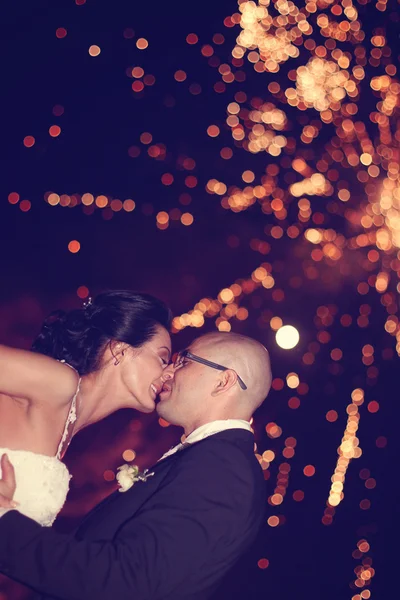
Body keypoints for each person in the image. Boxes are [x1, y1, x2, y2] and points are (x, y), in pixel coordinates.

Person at [0, 331, 271, 600]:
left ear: (223, 381)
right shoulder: (215, 459)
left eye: (184, 360)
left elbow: (128, 581)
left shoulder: (223, 467)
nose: (169, 372)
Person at [0, 290, 172, 526]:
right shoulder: (61, 382)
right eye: (163, 359)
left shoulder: (72, 422)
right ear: (120, 350)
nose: (168, 373)